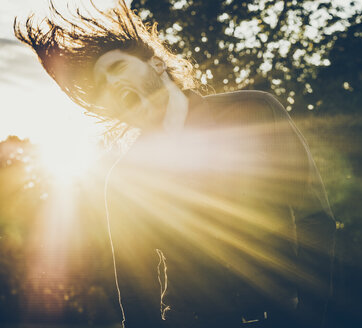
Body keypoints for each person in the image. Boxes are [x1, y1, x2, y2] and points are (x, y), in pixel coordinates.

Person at [14, 1, 337, 327]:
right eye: (103, 89)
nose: (114, 86)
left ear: (155, 63)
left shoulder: (255, 111)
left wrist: (308, 317)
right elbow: (135, 291)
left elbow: (314, 219)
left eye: (118, 68)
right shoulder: (124, 179)